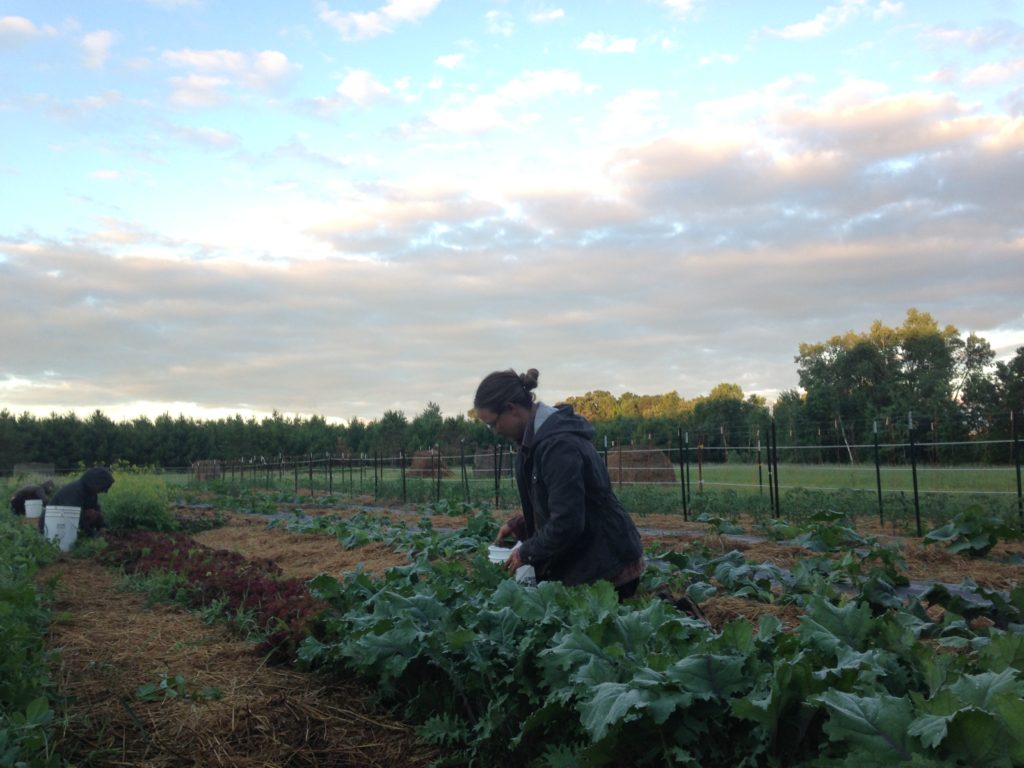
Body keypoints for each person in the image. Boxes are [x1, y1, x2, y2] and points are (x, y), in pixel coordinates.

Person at [475, 368, 645, 599]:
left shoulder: (558, 446)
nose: (494, 432)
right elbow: (562, 501)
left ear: (512, 409)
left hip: (607, 569)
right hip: (588, 557)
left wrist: (526, 552)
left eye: (492, 424)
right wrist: (522, 525)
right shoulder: (535, 442)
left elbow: (568, 521)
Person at [40, 467, 115, 537]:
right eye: (104, 487)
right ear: (96, 483)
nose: (105, 491)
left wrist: (103, 527)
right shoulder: (75, 491)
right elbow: (75, 519)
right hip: (51, 527)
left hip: (66, 523)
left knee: (95, 513)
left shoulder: (91, 493)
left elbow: (97, 510)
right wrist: (92, 535)